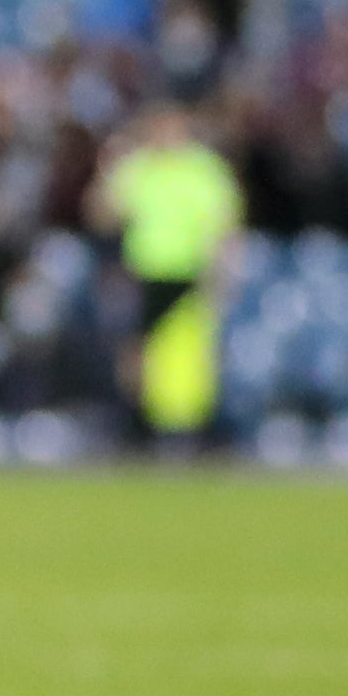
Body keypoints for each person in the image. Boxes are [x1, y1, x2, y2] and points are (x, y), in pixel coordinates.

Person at [92, 101, 245, 450]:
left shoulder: (204, 170)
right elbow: (102, 215)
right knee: (138, 353)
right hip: (145, 272)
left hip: (191, 272)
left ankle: (197, 427)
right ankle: (138, 422)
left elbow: (225, 225)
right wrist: (108, 170)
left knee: (192, 355)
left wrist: (224, 271)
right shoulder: (138, 168)